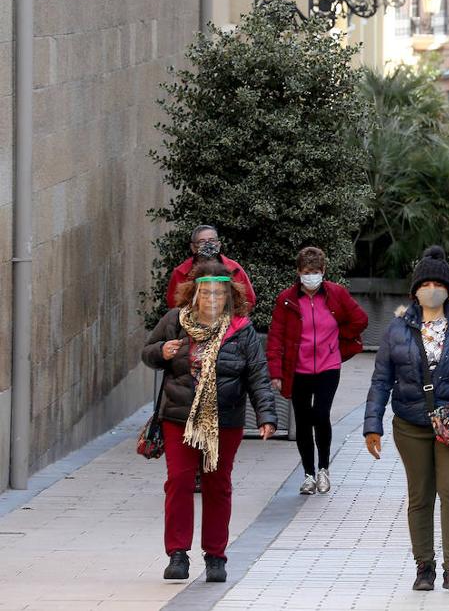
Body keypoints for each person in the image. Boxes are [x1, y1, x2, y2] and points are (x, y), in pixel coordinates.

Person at [363, 248, 449, 592]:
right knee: (420, 496)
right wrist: (372, 424)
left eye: (437, 282)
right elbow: (381, 379)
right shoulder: (398, 328)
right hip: (410, 424)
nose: (431, 288)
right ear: (414, 290)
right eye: (424, 283)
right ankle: (424, 567)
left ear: (447, 288)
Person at [142, 262, 276, 583]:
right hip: (179, 417)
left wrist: (266, 415)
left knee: (218, 486)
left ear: (229, 295)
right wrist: (162, 350)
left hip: (225, 420)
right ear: (195, 293)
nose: (212, 297)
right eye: (206, 291)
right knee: (179, 481)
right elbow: (147, 353)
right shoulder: (175, 321)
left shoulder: (241, 330)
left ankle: (215, 556)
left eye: (219, 292)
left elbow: (258, 375)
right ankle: (178, 553)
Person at [266, 247, 368, 495]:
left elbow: (360, 319)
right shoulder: (287, 300)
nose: (311, 277)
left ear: (323, 272)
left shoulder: (336, 294)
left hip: (328, 366)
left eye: (315, 272)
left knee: (321, 414)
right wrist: (276, 373)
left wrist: (338, 339)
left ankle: (324, 468)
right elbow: (276, 337)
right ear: (298, 272)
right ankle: (308, 474)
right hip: (297, 369)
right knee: (302, 420)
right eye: (306, 272)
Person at [165, 225, 256, 310]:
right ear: (193, 247)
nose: (207, 245)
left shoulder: (235, 269)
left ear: (219, 245)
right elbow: (174, 304)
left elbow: (249, 300)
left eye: (212, 240)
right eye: (202, 241)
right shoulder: (180, 272)